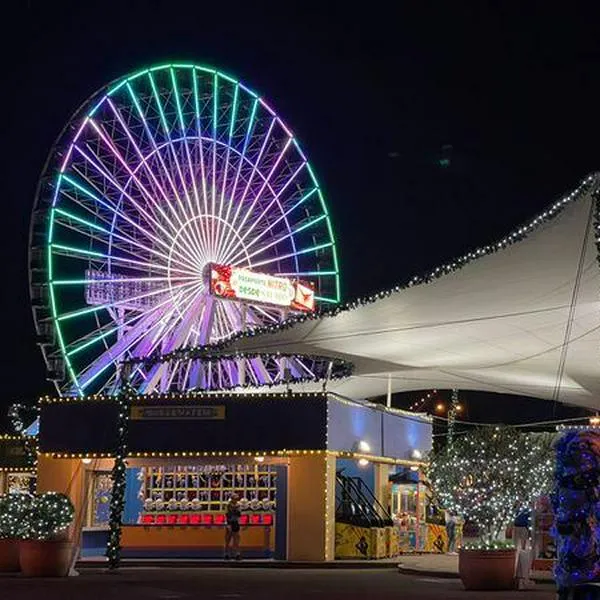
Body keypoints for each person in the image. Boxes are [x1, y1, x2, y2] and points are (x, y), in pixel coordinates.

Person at [224, 493, 242, 560]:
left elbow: (239, 514)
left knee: (236, 539)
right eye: (235, 499)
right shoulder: (228, 505)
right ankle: (226, 553)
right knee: (228, 539)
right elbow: (227, 515)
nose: (236, 500)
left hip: (235, 522)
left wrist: (235, 511)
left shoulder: (238, 505)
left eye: (236, 499)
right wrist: (228, 524)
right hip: (230, 522)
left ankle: (237, 554)